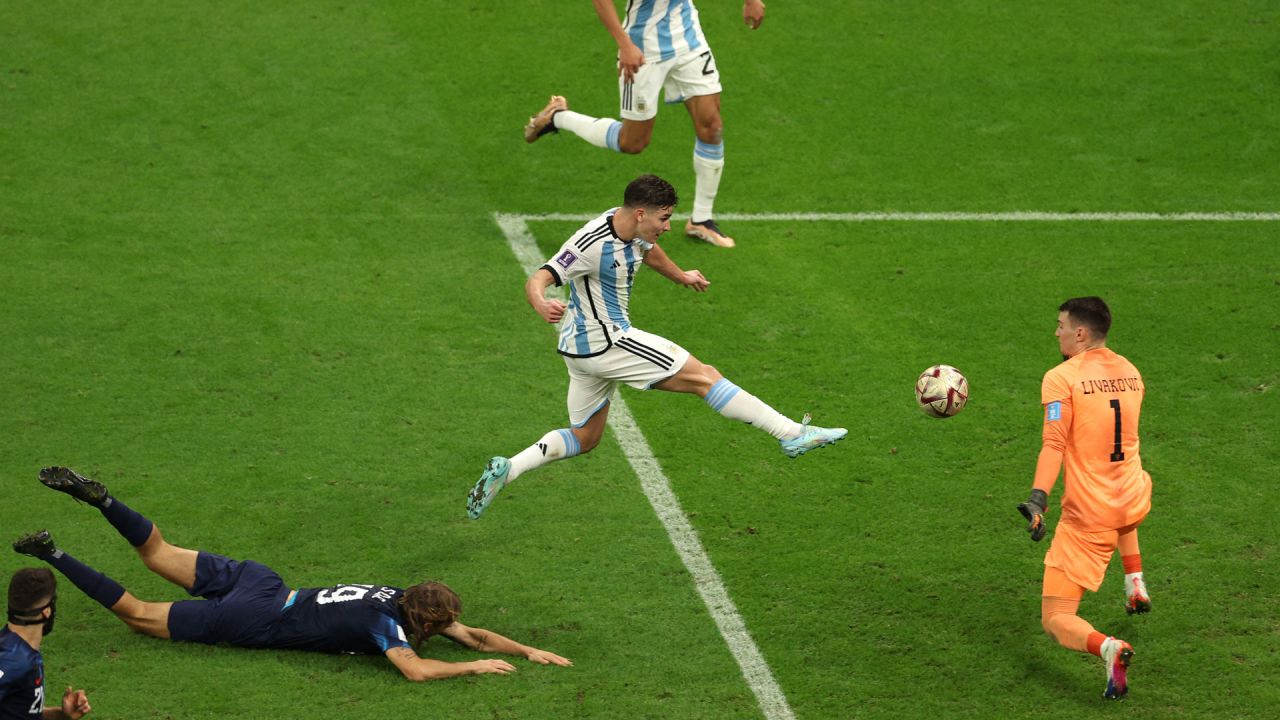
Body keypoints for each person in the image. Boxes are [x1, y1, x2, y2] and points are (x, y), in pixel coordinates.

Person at [467, 174, 845, 520]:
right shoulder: (589, 243)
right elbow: (541, 277)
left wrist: (681, 276)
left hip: (579, 354)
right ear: (641, 212)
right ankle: (791, 434)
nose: (667, 226)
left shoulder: (632, 228)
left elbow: (647, 250)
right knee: (705, 378)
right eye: (663, 219)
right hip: (609, 342)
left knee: (586, 437)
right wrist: (540, 302)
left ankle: (509, 468)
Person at [14, 467, 571, 682]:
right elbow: (419, 671)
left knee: (156, 551)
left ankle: (105, 500)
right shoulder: (385, 628)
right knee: (137, 614)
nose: (454, 627)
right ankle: (53, 553)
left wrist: (526, 650)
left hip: (264, 581)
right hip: (252, 615)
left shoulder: (396, 597)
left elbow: (471, 631)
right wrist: (473, 666)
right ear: (423, 616)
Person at [521, 0, 768, 249]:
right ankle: (558, 117)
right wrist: (624, 44)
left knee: (712, 127)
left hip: (688, 40)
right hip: (642, 48)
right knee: (633, 142)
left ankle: (701, 219)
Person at [1016, 297, 1153, 700]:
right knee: (1125, 496)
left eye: (1060, 325)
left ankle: (1107, 648)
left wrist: (1039, 499)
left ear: (1080, 333)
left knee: (1057, 617)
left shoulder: (1061, 378)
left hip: (1089, 517)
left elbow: (1054, 443)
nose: (1055, 331)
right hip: (1132, 494)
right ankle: (1135, 581)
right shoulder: (1131, 371)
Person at [1, 568, 92, 719]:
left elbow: (21, 713)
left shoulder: (20, 649)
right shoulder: (13, 661)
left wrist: (62, 714)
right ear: (47, 611)